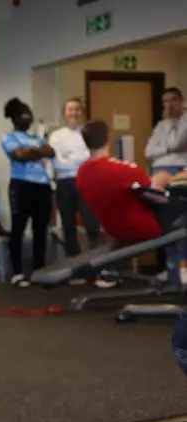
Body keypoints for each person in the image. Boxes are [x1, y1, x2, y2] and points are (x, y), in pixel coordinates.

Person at [78, 119, 179, 243]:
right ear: (107, 138)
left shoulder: (81, 173)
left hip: (114, 231)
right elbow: (160, 198)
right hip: (144, 229)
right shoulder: (125, 169)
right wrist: (164, 180)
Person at [47, 97, 111, 288]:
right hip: (65, 183)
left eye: (76, 109)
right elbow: (58, 163)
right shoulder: (56, 136)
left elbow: (91, 157)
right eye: (70, 109)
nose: (73, 113)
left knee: (92, 226)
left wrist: (71, 157)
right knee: (68, 228)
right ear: (64, 113)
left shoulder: (88, 133)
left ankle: (98, 271)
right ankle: (74, 272)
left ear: (81, 112)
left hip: (86, 180)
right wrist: (79, 158)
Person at [1, 97, 55, 288]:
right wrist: (37, 151)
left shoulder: (36, 138)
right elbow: (19, 156)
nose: (28, 117)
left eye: (29, 114)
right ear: (15, 118)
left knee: (41, 230)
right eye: (24, 115)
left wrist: (32, 150)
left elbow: (51, 152)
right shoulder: (9, 138)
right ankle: (17, 273)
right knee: (18, 229)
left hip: (42, 187)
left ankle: (39, 270)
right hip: (21, 186)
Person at [145, 87, 187, 283]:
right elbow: (148, 152)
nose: (169, 105)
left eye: (173, 100)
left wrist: (169, 148)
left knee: (179, 220)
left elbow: (180, 141)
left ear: (182, 101)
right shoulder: (161, 126)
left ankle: (183, 266)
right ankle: (171, 268)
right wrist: (170, 149)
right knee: (165, 222)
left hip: (180, 170)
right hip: (159, 170)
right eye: (166, 102)